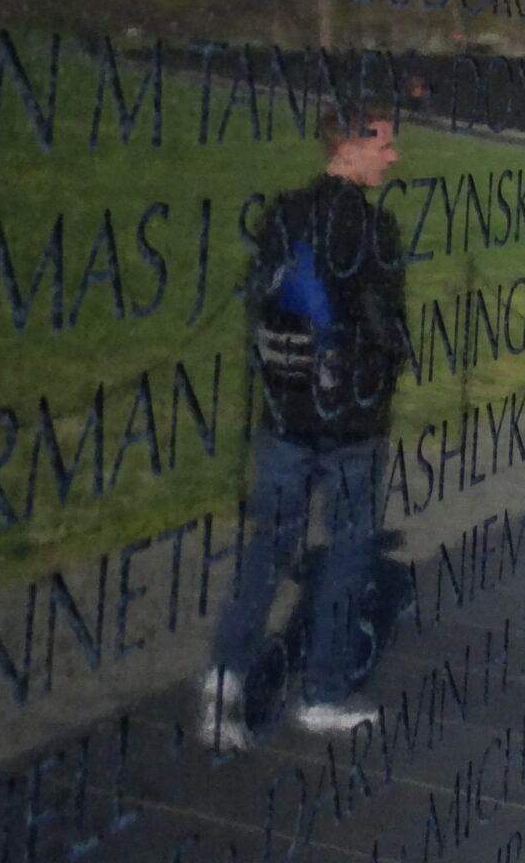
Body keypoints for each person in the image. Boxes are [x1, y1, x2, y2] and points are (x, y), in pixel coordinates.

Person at [200, 108, 408, 748]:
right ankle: (320, 693)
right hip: (349, 424)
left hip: (285, 416)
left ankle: (225, 681)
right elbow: (384, 329)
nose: (393, 158)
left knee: (268, 551)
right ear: (348, 147)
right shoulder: (374, 229)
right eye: (384, 145)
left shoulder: (280, 216)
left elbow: (259, 306)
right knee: (348, 552)